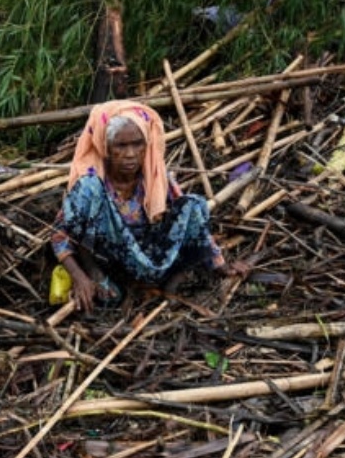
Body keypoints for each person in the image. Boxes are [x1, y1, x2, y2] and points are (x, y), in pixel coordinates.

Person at [51, 100, 228, 311]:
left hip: (152, 259)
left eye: (137, 144)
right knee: (109, 299)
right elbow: (60, 235)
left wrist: (220, 264)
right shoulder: (91, 184)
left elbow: (193, 218)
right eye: (121, 145)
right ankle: (101, 278)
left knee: (194, 204)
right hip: (113, 264)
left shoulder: (154, 177)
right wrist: (81, 277)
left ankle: (173, 284)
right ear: (105, 147)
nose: (130, 154)